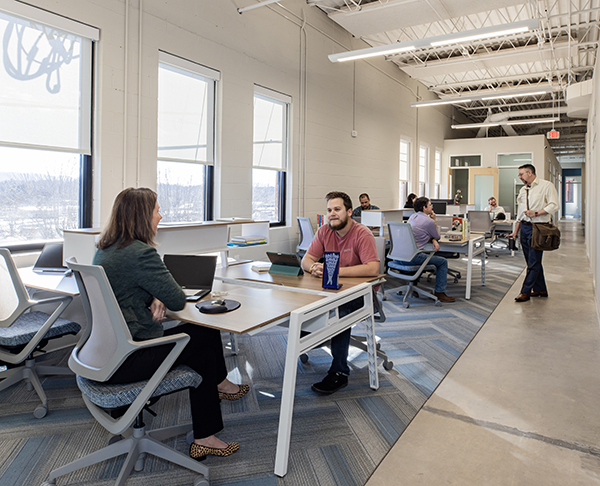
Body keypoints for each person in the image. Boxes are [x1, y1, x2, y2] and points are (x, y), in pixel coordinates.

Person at [92, 187, 248, 461]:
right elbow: (176, 299)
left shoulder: (104, 250)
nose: (160, 217)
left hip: (103, 354)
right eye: (156, 211)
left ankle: (213, 408)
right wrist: (160, 294)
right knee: (203, 334)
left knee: (200, 344)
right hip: (131, 357)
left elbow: (130, 288)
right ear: (141, 217)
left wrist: (152, 293)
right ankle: (210, 419)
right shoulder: (140, 253)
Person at [301, 191, 380, 395]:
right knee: (304, 301)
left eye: (337, 209)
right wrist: (314, 268)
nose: (332, 214)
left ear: (349, 212)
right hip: (332, 289)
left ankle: (339, 373)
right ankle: (308, 336)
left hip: (362, 294)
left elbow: (372, 269)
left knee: (338, 313)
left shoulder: (362, 233)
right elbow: (306, 260)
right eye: (329, 210)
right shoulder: (324, 231)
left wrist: (335, 272)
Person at [506, 164, 559, 302]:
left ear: (530, 173)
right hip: (524, 228)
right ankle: (541, 289)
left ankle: (525, 292)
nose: (520, 177)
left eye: (521, 174)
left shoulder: (546, 186)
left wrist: (536, 213)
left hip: (539, 227)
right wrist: (515, 232)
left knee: (534, 261)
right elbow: (520, 213)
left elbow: (554, 205)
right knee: (531, 262)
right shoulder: (523, 190)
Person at [396, 196, 456, 303]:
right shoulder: (429, 221)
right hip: (413, 257)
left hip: (399, 256)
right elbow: (437, 235)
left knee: (423, 255)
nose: (432, 207)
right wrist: (434, 221)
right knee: (442, 262)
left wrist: (431, 239)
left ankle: (414, 282)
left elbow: (422, 234)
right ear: (424, 208)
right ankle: (439, 293)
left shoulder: (412, 217)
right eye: (430, 205)